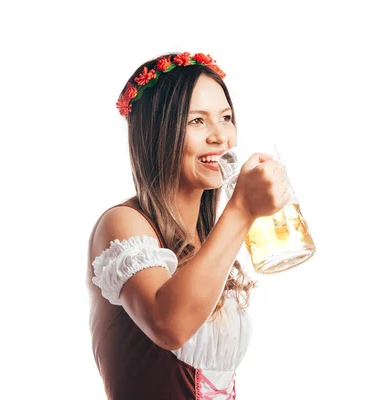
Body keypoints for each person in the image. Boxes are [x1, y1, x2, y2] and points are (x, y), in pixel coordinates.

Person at [86, 51, 291, 399]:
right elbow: (170, 326)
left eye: (226, 118)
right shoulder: (122, 223)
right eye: (197, 121)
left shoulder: (205, 240)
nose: (220, 137)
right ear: (157, 132)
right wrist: (241, 209)